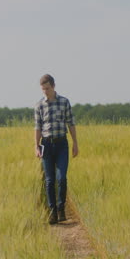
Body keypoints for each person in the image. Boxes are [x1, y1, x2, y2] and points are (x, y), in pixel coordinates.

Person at [34, 74, 78, 224]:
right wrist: (36, 146)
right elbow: (38, 127)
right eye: (43, 89)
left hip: (61, 145)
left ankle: (61, 209)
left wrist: (75, 143)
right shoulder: (39, 105)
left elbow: (71, 123)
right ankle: (52, 212)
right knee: (49, 180)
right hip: (46, 144)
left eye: (47, 88)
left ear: (53, 86)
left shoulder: (64, 102)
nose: (45, 92)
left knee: (61, 178)